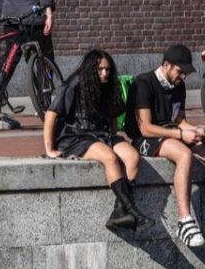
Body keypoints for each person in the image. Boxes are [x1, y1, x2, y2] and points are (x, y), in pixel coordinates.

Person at [124, 44, 205, 247]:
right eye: (180, 71)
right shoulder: (143, 83)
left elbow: (180, 120)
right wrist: (181, 134)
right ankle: (184, 221)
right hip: (145, 139)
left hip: (172, 133)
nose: (183, 76)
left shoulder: (179, 86)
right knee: (184, 154)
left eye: (185, 73)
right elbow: (145, 128)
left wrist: (196, 130)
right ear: (166, 65)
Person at [44, 49, 155, 231]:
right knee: (110, 157)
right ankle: (135, 213)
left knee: (133, 157)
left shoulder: (109, 84)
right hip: (76, 136)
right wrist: (49, 149)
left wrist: (113, 136)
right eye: (100, 69)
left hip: (102, 135)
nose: (104, 73)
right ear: (90, 70)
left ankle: (119, 213)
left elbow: (112, 115)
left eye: (107, 69)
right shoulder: (74, 84)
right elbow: (51, 114)